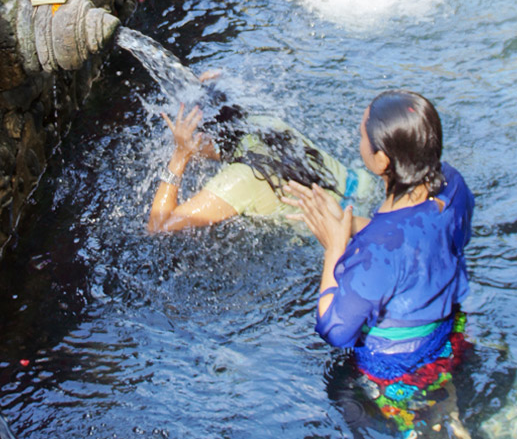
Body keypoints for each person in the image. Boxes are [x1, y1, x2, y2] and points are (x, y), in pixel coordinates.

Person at [281, 90, 474, 438]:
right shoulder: (453, 185)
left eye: (361, 136)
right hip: (450, 339)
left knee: (341, 395)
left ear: (383, 161)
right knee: (445, 417)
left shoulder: (375, 251)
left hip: (396, 371)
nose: (359, 142)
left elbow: (335, 328)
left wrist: (335, 247)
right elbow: (419, 239)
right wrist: (353, 226)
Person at [147, 99, 376, 233]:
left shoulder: (240, 180)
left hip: (344, 231)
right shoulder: (265, 125)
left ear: (204, 136)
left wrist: (180, 156)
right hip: (363, 187)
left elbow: (159, 226)